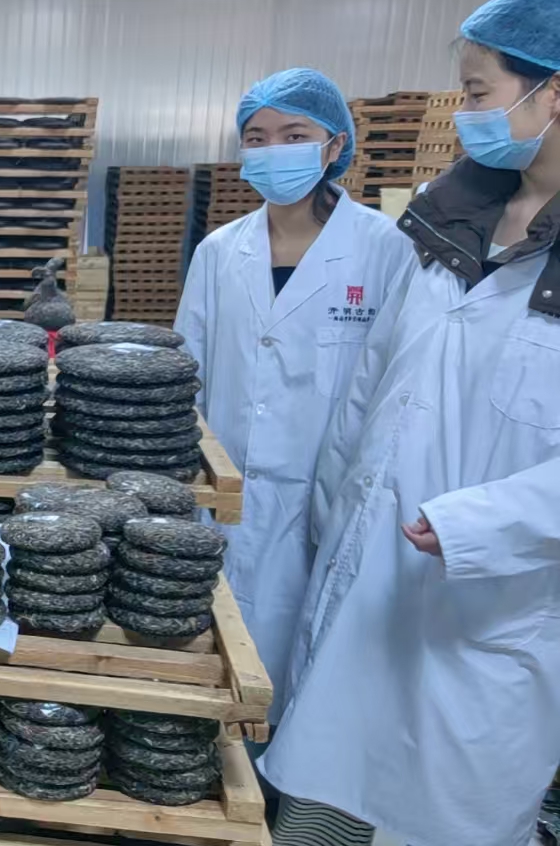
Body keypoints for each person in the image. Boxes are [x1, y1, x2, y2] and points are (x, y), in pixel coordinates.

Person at [260, 0, 560, 844]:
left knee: (439, 818)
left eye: (478, 92)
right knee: (321, 802)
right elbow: (374, 387)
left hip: (489, 611)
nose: (466, 113)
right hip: (367, 581)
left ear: (553, 92)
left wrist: (480, 524)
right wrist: (330, 509)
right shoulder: (444, 223)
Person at [174, 68, 418, 724]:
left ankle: (280, 778)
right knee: (215, 662)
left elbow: (395, 385)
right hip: (224, 495)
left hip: (323, 497)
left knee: (307, 674)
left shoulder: (384, 250)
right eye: (257, 138)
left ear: (334, 145)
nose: (272, 150)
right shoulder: (220, 252)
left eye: (294, 135)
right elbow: (186, 376)